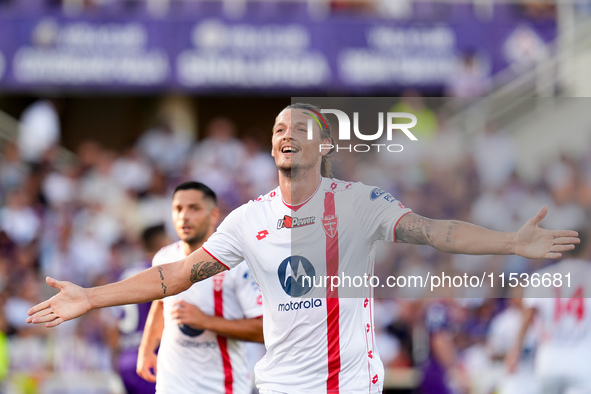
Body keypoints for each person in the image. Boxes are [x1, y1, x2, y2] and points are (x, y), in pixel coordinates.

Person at [28, 103, 580, 393]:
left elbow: (440, 232)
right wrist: (92, 297)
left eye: (298, 127)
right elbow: (175, 277)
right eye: (276, 129)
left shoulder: (360, 203)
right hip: (279, 386)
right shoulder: (250, 219)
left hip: (351, 385)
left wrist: (510, 241)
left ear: (324, 144)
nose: (285, 134)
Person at [136, 181, 263, 394]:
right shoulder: (163, 258)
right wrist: (146, 348)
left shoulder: (238, 263)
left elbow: (263, 330)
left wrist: (204, 321)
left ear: (214, 215)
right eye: (178, 209)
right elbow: (160, 306)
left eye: (194, 208)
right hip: (171, 386)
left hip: (222, 387)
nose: (184, 216)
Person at [506, 229, 591, 394]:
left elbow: (527, 318)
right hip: (583, 363)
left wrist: (515, 351)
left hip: (549, 362)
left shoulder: (541, 277)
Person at [115, 224, 170, 394]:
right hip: (150, 359)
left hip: (126, 359)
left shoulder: (126, 273)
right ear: (162, 243)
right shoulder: (160, 273)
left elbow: (113, 322)